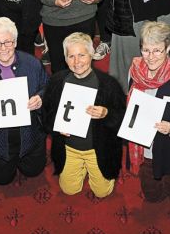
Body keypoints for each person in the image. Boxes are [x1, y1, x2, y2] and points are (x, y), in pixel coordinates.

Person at [42, 32, 125, 197]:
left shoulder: (109, 84)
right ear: (65, 59)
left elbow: (122, 117)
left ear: (92, 55)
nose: (76, 61)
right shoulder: (57, 82)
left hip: (97, 149)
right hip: (69, 148)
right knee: (69, 190)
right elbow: (46, 115)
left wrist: (106, 113)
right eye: (71, 56)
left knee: (102, 192)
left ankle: (98, 172)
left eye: (81, 55)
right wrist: (56, 128)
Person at [0, 17, 49, 185]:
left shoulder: (33, 63)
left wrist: (40, 98)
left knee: (34, 171)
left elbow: (47, 87)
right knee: (1, 180)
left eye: (7, 42)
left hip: (30, 132)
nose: (3, 48)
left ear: (15, 42)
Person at [128, 21, 170, 206]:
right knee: (151, 195)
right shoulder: (134, 72)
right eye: (145, 50)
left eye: (157, 50)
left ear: (168, 48)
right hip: (144, 149)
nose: (150, 57)